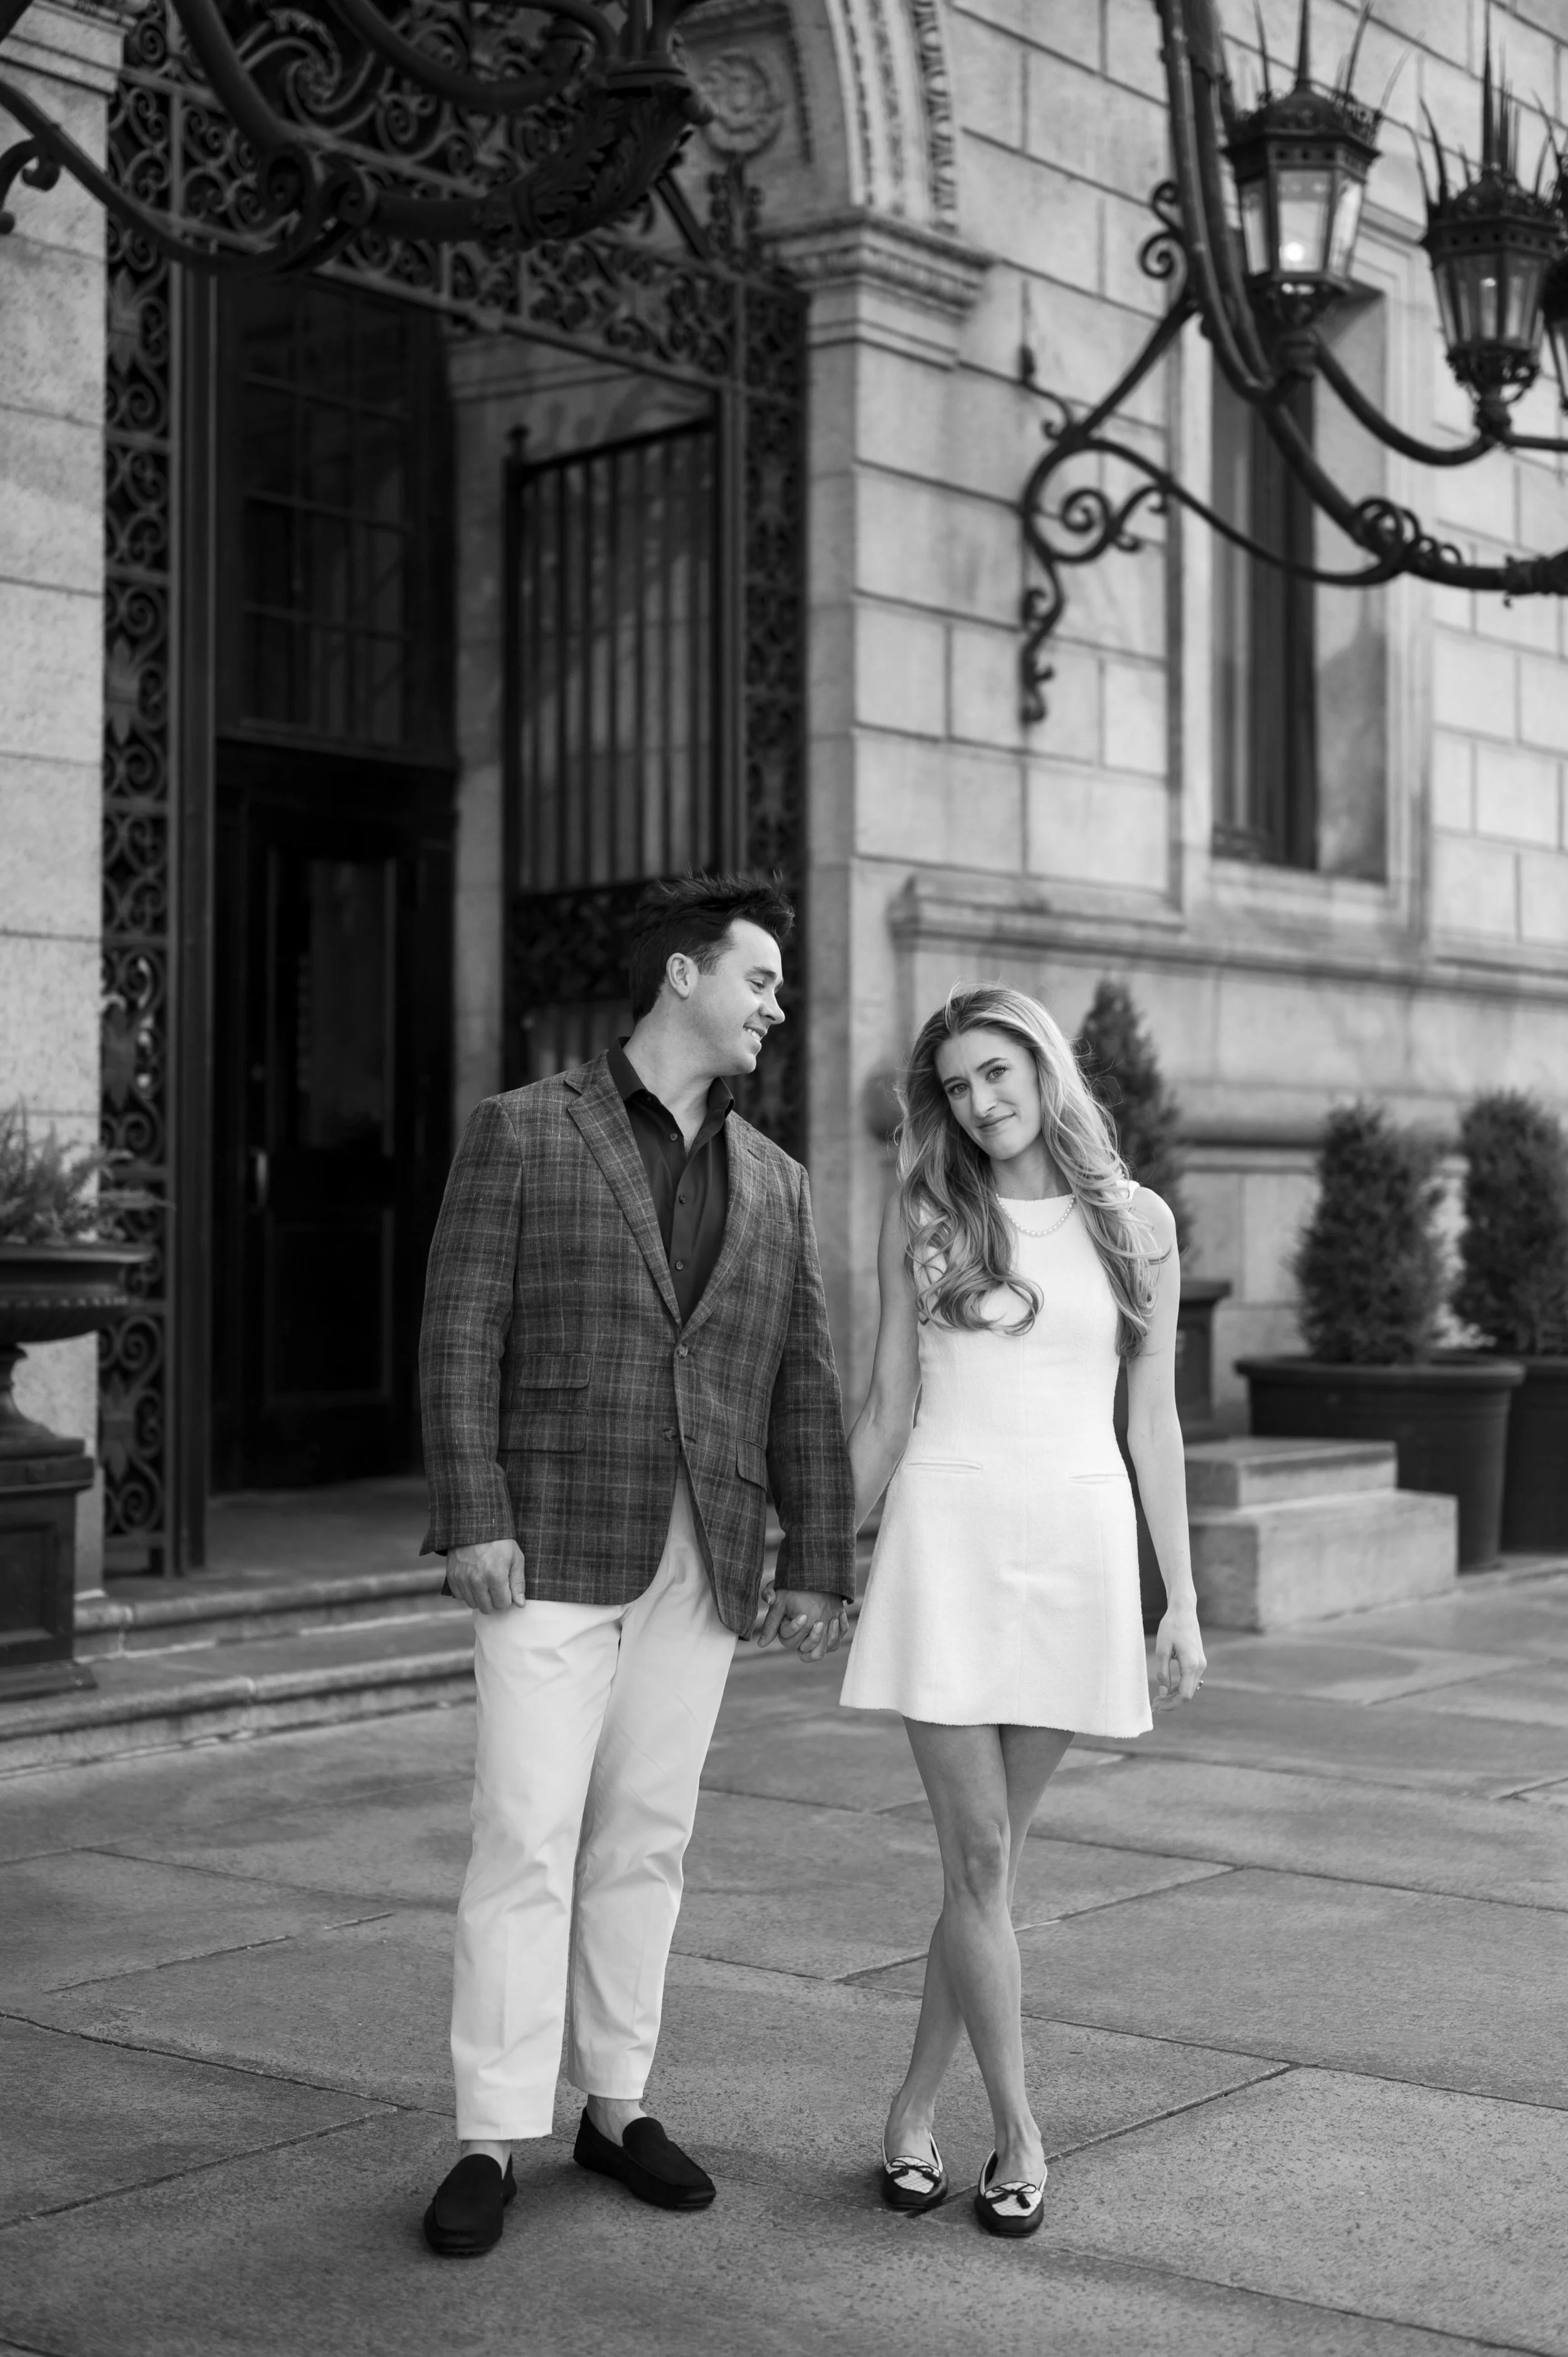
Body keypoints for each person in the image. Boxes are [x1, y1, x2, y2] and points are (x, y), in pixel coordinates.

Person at [418, 872, 856, 2258]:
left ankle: (615, 2104)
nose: (774, 1007)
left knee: (644, 1837)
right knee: (525, 1831)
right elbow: (457, 1333)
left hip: (705, 1550)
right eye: (760, 980)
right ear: (681, 975)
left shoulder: (777, 1181)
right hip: (549, 1529)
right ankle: (489, 2130)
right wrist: (473, 1508)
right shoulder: (524, 1132)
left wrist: (819, 1562)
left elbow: (803, 1381)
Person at [840, 983, 1205, 2238]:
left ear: (1044, 1069)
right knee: (982, 1860)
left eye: (996, 1072)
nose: (979, 1102)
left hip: (1077, 1548)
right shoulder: (929, 1212)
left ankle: (904, 2108)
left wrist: (1180, 1597)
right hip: (945, 1543)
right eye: (955, 1085)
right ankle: (1019, 2133)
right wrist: (816, 1550)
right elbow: (887, 1407)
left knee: (975, 1870)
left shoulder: (1135, 1221)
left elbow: (1150, 1420)